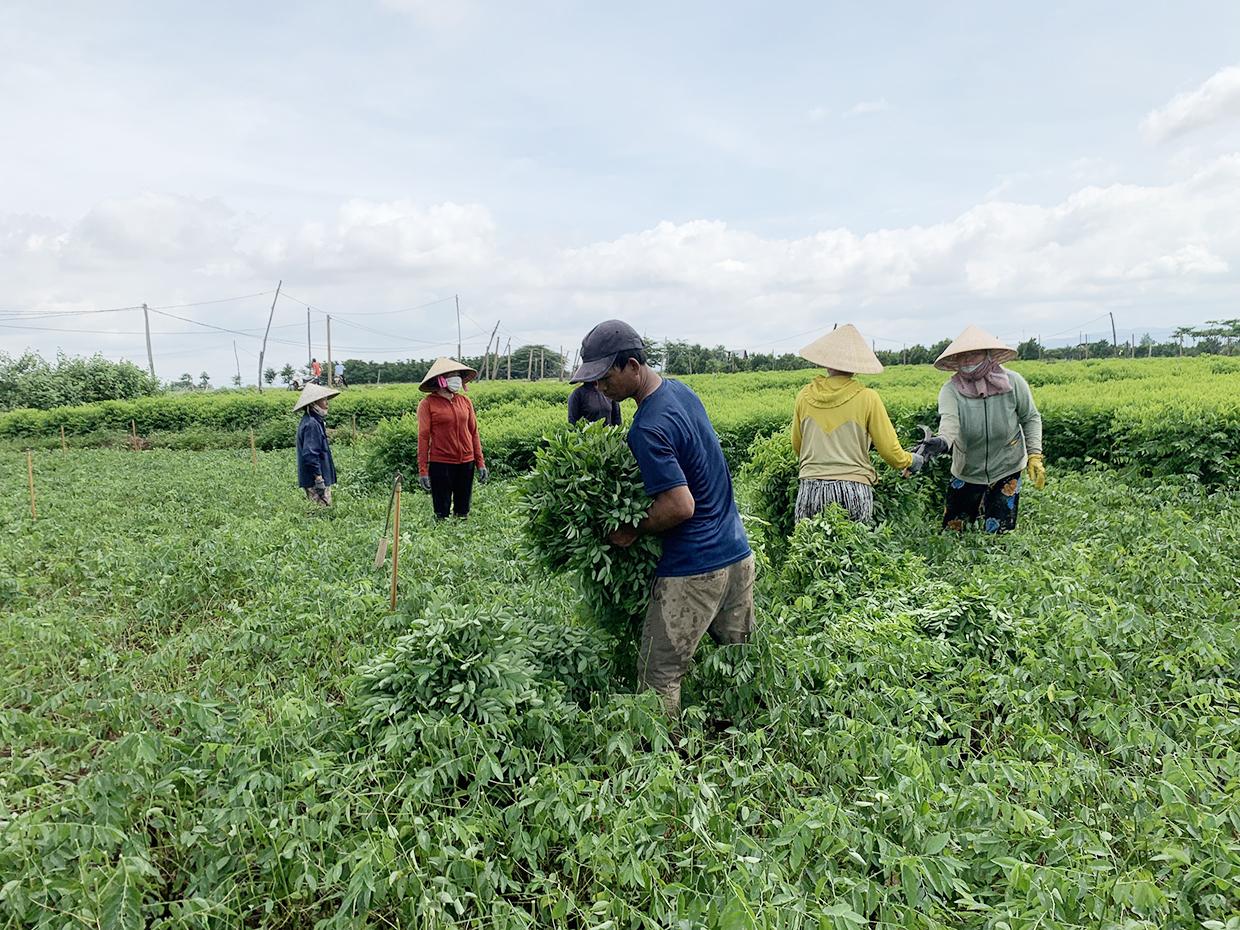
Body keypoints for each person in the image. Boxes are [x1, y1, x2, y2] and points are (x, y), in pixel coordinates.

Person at [570, 319, 753, 719]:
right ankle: (751, 740)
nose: (599, 388)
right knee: (740, 662)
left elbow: (680, 505)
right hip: (737, 552)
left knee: (659, 675)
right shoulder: (681, 392)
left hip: (694, 568)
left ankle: (665, 771)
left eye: (605, 377)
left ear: (633, 366)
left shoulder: (646, 428)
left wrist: (632, 528)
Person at [790, 324, 921, 523]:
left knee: (810, 551)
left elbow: (797, 445)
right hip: (852, 491)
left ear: (826, 363)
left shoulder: (804, 396)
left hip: (810, 490)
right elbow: (889, 451)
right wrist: (910, 461)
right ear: (856, 366)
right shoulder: (868, 398)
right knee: (851, 552)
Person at [925, 325, 1045, 533]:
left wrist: (1034, 454)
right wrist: (941, 442)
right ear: (956, 361)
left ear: (989, 354)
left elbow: (1031, 417)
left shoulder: (1014, 383)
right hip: (967, 469)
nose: (969, 359)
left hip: (1007, 465)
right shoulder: (951, 390)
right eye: (963, 356)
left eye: (975, 353)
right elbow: (949, 423)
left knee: (999, 533)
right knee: (954, 531)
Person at [416, 357, 489, 520]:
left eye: (458, 375)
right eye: (451, 374)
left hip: (466, 462)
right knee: (441, 513)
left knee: (463, 511)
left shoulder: (465, 401)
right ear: (440, 379)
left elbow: (473, 432)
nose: (456, 378)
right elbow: (423, 437)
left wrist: (480, 462)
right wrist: (423, 470)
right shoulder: (427, 404)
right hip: (441, 463)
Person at [294, 382, 339, 506]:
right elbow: (310, 454)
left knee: (319, 513)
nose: (327, 403)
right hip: (316, 479)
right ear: (314, 403)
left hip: (317, 478)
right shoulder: (312, 424)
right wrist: (319, 478)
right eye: (323, 400)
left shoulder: (313, 421)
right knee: (321, 513)